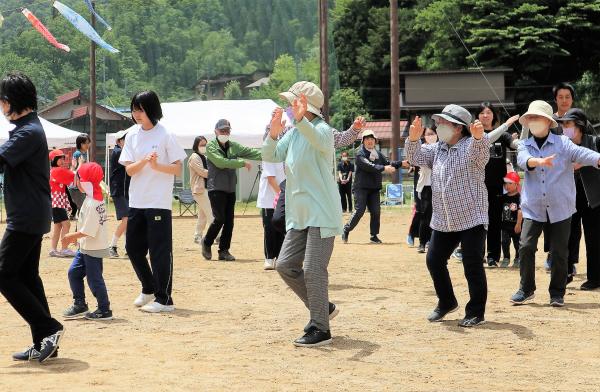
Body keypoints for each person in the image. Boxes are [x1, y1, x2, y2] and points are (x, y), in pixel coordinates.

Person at [263, 81, 342, 347]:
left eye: (294, 102)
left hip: (321, 211)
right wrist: (273, 134)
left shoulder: (322, 130)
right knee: (285, 265)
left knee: (313, 269)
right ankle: (323, 308)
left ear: (307, 106)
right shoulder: (295, 132)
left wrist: (299, 121)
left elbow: (320, 141)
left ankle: (321, 328)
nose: (288, 106)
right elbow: (272, 155)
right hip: (299, 214)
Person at [509, 100, 600, 307]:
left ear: (548, 121)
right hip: (533, 207)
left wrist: (598, 159)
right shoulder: (525, 144)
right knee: (526, 246)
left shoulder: (563, 143)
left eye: (537, 117)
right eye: (530, 117)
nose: (533, 121)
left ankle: (557, 292)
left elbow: (583, 154)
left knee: (560, 251)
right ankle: (526, 288)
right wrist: (537, 161)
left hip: (561, 206)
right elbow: (522, 160)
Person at [0, 72, 64, 362]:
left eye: (2, 102)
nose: (1, 108)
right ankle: (43, 341)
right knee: (27, 276)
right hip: (31, 214)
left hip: (25, 217)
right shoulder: (29, 128)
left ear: (12, 101)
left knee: (4, 274)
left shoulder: (28, 132)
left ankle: (48, 328)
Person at [406, 104, 489, 328]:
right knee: (434, 260)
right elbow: (415, 158)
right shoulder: (438, 149)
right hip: (444, 218)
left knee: (472, 264)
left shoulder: (471, 145)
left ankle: (476, 312)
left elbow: (482, 156)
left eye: (444, 123)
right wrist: (413, 139)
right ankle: (447, 301)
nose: (438, 126)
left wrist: (480, 138)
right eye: (438, 122)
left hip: (472, 216)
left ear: (459, 128)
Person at [119, 90, 187, 313]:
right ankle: (148, 287)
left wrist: (158, 167)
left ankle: (164, 299)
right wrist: (144, 161)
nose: (136, 114)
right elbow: (129, 170)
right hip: (137, 201)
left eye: (141, 109)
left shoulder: (166, 134)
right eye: (134, 109)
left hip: (158, 202)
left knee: (159, 252)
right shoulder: (132, 135)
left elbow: (178, 168)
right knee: (132, 248)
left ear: (152, 110)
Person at [201, 119, 262, 262]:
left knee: (229, 221)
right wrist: (241, 163)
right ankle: (207, 242)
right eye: (222, 131)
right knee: (219, 218)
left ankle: (224, 251)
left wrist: (271, 153)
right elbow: (221, 162)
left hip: (230, 188)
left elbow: (250, 152)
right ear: (215, 131)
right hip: (216, 187)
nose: (225, 133)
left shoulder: (234, 146)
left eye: (227, 131)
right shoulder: (211, 146)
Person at [62, 163, 112, 320]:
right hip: (85, 247)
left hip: (93, 248)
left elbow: (88, 231)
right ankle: (80, 304)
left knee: (94, 279)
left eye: (78, 178)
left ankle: (104, 309)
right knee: (74, 273)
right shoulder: (91, 198)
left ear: (84, 181)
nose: (76, 181)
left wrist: (70, 237)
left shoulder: (93, 203)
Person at [557, 108, 600, 290]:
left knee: (594, 238)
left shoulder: (595, 142)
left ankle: (595, 277)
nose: (564, 127)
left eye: (568, 123)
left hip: (593, 197)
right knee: (567, 236)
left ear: (580, 125)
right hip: (569, 195)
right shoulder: (561, 144)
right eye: (563, 124)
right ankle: (565, 273)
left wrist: (584, 161)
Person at [477, 102, 520, 267]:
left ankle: (492, 257)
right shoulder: (473, 136)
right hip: (477, 185)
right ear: (477, 116)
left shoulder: (503, 136)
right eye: (482, 113)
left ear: (494, 115)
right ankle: (477, 254)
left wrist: (525, 129)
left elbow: (516, 145)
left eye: (488, 112)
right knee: (478, 222)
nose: (485, 115)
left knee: (495, 221)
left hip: (497, 186)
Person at [341, 130, 401, 244]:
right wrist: (384, 168)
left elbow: (388, 162)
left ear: (375, 141)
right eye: (367, 139)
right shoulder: (360, 154)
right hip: (361, 187)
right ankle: (346, 229)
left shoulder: (377, 153)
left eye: (372, 139)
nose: (370, 141)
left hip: (374, 188)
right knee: (360, 210)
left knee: (376, 211)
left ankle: (374, 235)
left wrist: (401, 163)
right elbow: (369, 166)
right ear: (363, 141)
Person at [257, 135, 286, 270]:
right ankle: (269, 257)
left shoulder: (283, 156)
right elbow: (271, 178)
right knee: (269, 228)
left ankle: (280, 257)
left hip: (282, 196)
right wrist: (281, 194)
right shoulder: (268, 155)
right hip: (269, 199)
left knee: (281, 226)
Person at [48, 149, 76, 258]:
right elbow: (72, 175)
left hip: (56, 200)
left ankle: (53, 249)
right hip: (57, 200)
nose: (62, 160)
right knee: (66, 224)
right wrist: (76, 167)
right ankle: (64, 248)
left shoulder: (54, 170)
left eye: (62, 158)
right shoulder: (57, 170)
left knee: (58, 226)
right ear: (54, 160)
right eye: (60, 158)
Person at [415, 127, 438, 253]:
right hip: (427, 186)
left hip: (440, 185)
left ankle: (434, 242)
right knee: (426, 215)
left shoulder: (442, 147)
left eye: (433, 133)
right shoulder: (422, 148)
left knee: (439, 215)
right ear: (424, 136)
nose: (430, 136)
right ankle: (422, 242)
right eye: (428, 134)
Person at [109, 129, 130, 258]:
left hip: (123, 191)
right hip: (119, 191)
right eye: (125, 139)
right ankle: (112, 246)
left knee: (127, 220)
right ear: (119, 141)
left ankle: (129, 248)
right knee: (127, 219)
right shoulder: (118, 152)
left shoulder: (122, 151)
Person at [188, 136, 213, 245]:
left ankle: (197, 236)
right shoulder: (194, 157)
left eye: (205, 145)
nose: (204, 147)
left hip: (206, 188)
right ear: (196, 145)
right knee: (211, 213)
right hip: (199, 190)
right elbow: (202, 172)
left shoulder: (204, 157)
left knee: (202, 215)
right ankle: (218, 235)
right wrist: (214, 173)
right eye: (202, 145)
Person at [499, 171, 522, 268]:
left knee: (517, 243)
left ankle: (518, 258)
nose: (507, 186)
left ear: (516, 184)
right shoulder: (503, 198)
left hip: (516, 225)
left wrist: (518, 224)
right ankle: (506, 258)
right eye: (505, 183)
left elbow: (520, 211)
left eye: (510, 183)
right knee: (504, 242)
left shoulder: (519, 197)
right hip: (505, 226)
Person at [68, 133, 91, 219]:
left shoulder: (84, 153)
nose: (87, 145)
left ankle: (79, 230)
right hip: (76, 187)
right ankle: (79, 231)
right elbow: (74, 170)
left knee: (83, 212)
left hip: (81, 186)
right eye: (85, 143)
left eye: (88, 142)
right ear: (80, 144)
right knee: (83, 212)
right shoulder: (77, 154)